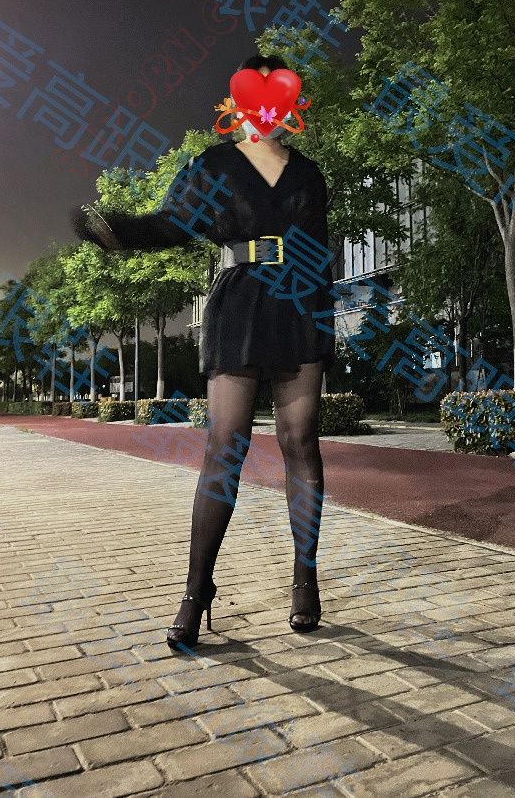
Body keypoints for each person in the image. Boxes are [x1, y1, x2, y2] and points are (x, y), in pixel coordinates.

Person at [70, 54, 335, 650]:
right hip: (238, 305)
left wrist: (323, 322)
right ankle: (196, 589)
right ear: (236, 104)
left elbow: (320, 251)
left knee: (300, 441)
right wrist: (118, 231)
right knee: (225, 447)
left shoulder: (309, 174)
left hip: (300, 305)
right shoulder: (211, 166)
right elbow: (171, 224)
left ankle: (305, 579)